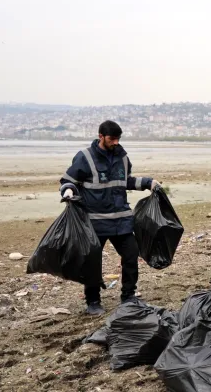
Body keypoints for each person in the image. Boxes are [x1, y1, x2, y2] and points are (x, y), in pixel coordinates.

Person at [59, 120, 160, 315]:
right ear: (101, 137)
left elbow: (125, 181)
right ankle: (93, 301)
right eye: (112, 139)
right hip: (95, 222)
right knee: (92, 262)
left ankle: (128, 296)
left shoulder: (123, 157)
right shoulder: (85, 157)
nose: (116, 142)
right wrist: (68, 191)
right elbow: (68, 180)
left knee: (131, 255)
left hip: (121, 221)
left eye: (118, 139)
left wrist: (149, 183)